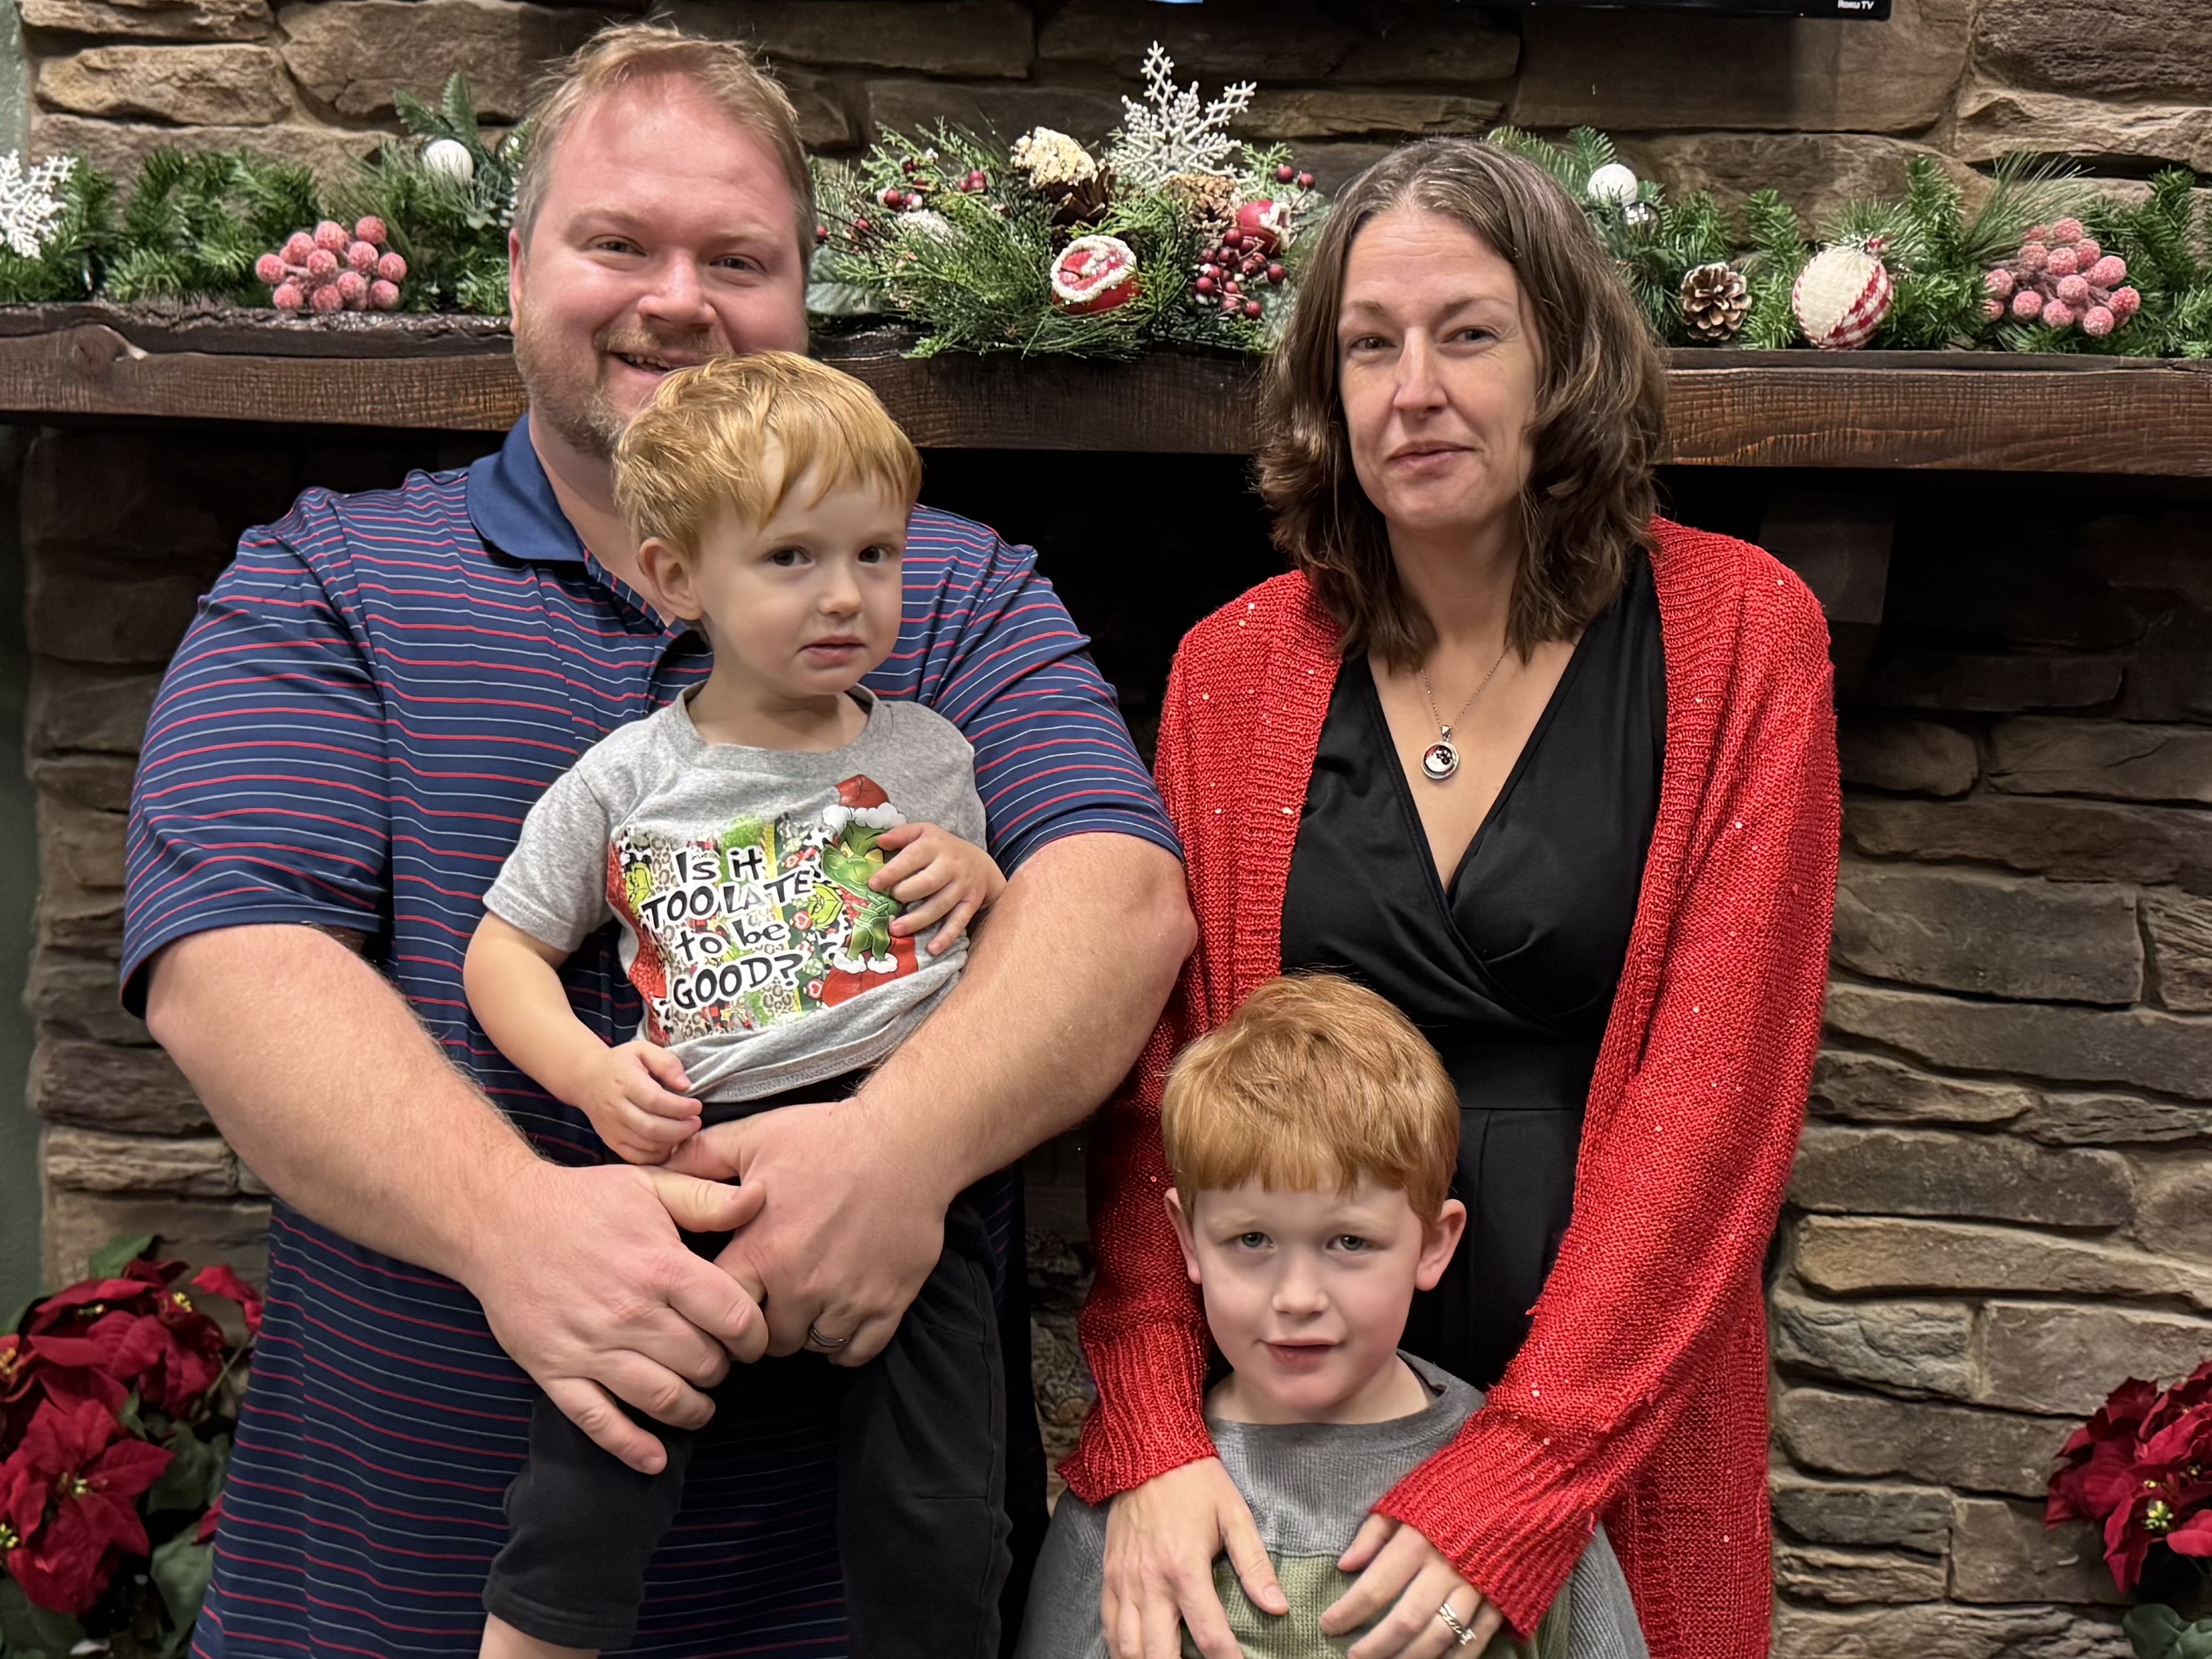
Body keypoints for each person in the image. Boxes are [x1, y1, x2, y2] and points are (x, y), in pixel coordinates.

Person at [123, 24, 1193, 1657]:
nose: (676, 299)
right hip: (395, 1603)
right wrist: (512, 1222)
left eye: (737, 258)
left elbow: (1116, 901)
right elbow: (230, 963)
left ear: (803, 292)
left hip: (852, 1611)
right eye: (616, 242)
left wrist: (899, 1143)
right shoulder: (331, 581)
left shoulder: (942, 587)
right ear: (517, 267)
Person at [1059, 138, 1840, 1659]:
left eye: (1467, 332)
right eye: (1368, 345)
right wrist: (1151, 1422)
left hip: (1614, 1413)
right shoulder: (1232, 669)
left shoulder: (1743, 631)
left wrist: (1528, 1465)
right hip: (1280, 1417)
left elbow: (1723, 1095)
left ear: (1564, 361)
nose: (1411, 388)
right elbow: (1158, 1087)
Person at [470, 354, 1013, 1658]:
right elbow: (504, 950)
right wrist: (588, 1076)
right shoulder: (628, 778)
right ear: (676, 578)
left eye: (875, 553)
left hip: (895, 1156)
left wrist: (980, 874)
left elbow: (996, 943)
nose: (845, 596)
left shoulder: (928, 753)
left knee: (942, 1514)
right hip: (697, 1162)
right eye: (789, 558)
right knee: (590, 1474)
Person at [1016, 976, 1648, 1659]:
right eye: (1251, 1240)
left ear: (1433, 1244)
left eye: (1348, 1242)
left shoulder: (1527, 1491)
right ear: (1187, 1239)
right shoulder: (1127, 1493)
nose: (1297, 1297)